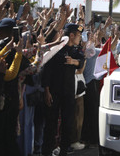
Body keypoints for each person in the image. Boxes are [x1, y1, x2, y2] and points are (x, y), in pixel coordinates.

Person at [41, 24, 84, 156]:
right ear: (71, 35)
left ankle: (64, 151)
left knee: (68, 124)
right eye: (78, 35)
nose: (79, 37)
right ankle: (46, 151)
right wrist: (47, 91)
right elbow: (46, 71)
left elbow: (81, 62)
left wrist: (74, 62)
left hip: (69, 93)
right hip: (54, 92)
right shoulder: (56, 50)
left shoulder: (76, 51)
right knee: (51, 125)